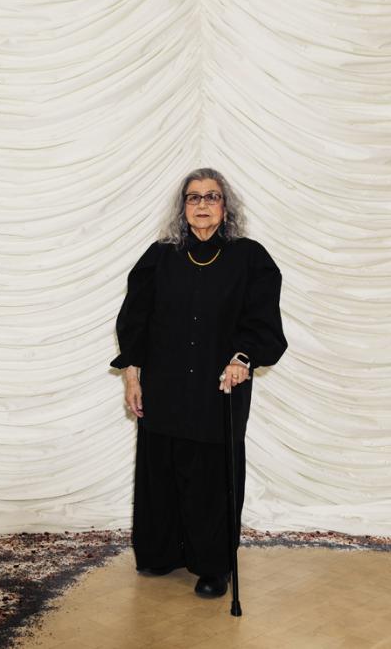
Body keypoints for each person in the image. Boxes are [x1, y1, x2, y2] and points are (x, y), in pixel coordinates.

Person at [111, 167, 287, 598]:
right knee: (163, 469)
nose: (203, 206)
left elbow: (262, 318)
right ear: (183, 207)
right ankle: (161, 552)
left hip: (219, 385)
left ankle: (213, 566)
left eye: (212, 197)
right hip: (166, 385)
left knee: (212, 478)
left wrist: (243, 357)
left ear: (226, 207)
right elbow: (135, 319)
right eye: (194, 198)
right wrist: (131, 376)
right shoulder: (160, 256)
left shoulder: (250, 257)